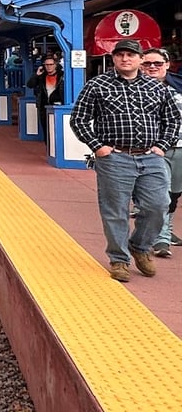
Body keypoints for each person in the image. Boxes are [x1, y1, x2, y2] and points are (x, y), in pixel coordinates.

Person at [70, 39, 181, 281]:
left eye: (131, 54)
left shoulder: (157, 88)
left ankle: (140, 247)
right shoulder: (97, 85)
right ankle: (119, 259)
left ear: (140, 59)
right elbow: (78, 119)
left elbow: (172, 120)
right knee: (115, 211)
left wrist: (162, 147)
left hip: (150, 157)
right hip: (115, 158)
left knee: (158, 205)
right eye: (120, 54)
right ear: (113, 59)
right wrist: (98, 147)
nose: (125, 58)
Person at [143, 47, 182, 257]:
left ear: (166, 65)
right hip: (154, 150)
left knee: (174, 194)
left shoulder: (179, 86)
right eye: (147, 63)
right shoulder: (131, 88)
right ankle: (162, 239)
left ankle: (165, 230)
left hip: (181, 149)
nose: (152, 67)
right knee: (161, 194)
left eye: (157, 63)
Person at [26, 54, 65, 143]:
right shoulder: (41, 77)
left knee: (58, 130)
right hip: (43, 107)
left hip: (58, 106)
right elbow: (30, 85)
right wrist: (36, 75)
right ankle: (48, 149)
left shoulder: (62, 76)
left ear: (55, 65)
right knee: (46, 131)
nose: (48, 67)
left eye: (51, 64)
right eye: (46, 65)